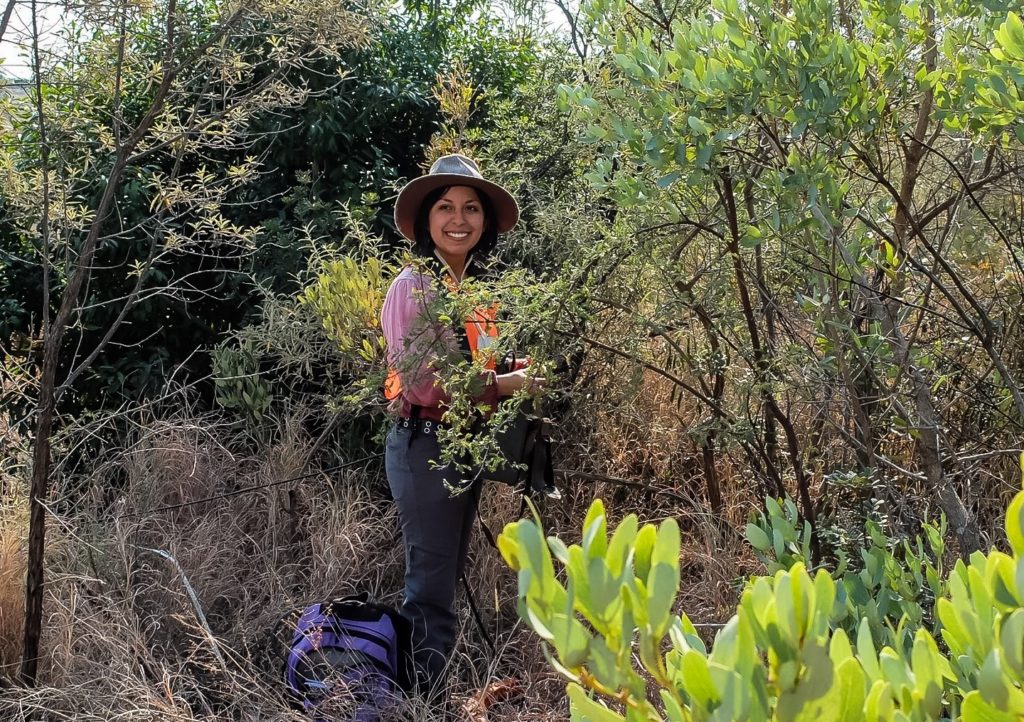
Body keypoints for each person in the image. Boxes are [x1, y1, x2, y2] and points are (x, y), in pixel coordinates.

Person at [380, 154, 540, 697]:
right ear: (426, 219)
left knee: (443, 581)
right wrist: (511, 386)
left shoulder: (473, 290)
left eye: (471, 208)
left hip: (461, 446)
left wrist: (513, 373)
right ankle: (420, 703)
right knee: (429, 592)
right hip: (425, 446)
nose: (459, 219)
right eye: (445, 206)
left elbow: (483, 370)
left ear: (485, 222)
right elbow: (428, 385)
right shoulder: (413, 286)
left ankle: (424, 695)